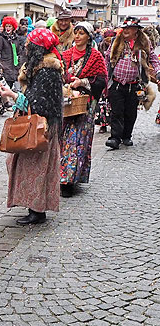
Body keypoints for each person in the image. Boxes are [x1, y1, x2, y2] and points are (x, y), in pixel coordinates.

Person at [0, 28, 63, 225]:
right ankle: (33, 208)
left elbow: (37, 104)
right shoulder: (40, 68)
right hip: (38, 126)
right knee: (27, 167)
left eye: (29, 44)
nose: (25, 47)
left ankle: (37, 210)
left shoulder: (47, 71)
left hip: (40, 128)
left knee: (37, 170)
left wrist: (12, 95)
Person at [60, 22, 107, 198]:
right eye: (76, 33)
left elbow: (101, 80)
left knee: (78, 142)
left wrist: (83, 82)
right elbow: (59, 74)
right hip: (66, 102)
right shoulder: (66, 55)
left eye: (82, 33)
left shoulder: (95, 56)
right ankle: (62, 176)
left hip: (85, 104)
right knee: (64, 141)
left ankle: (70, 180)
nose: (78, 36)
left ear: (88, 36)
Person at [105, 17, 160, 149]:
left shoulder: (143, 42)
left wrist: (158, 72)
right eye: (125, 28)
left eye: (129, 28)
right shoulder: (116, 41)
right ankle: (115, 138)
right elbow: (107, 58)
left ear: (136, 30)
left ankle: (126, 136)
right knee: (116, 111)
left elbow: (152, 57)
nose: (126, 30)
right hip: (116, 82)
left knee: (130, 112)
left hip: (134, 84)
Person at [0, 16, 25, 88]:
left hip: (14, 68)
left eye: (10, 26)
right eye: (6, 26)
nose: (8, 28)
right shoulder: (1, 38)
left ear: (13, 27)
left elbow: (20, 52)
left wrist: (19, 65)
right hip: (5, 68)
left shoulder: (16, 38)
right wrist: (1, 66)